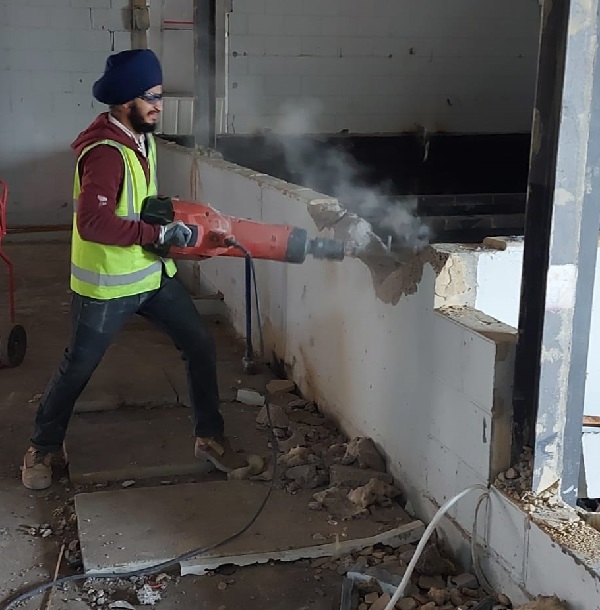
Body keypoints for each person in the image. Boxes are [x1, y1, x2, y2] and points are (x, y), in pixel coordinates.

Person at [21, 49, 247, 490]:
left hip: (151, 276)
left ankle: (209, 437)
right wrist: (159, 237)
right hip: (107, 286)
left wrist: (185, 226)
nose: (159, 105)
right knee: (79, 367)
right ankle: (42, 448)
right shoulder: (106, 152)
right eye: (153, 97)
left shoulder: (140, 138)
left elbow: (143, 206)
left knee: (199, 344)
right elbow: (93, 222)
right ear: (127, 99)